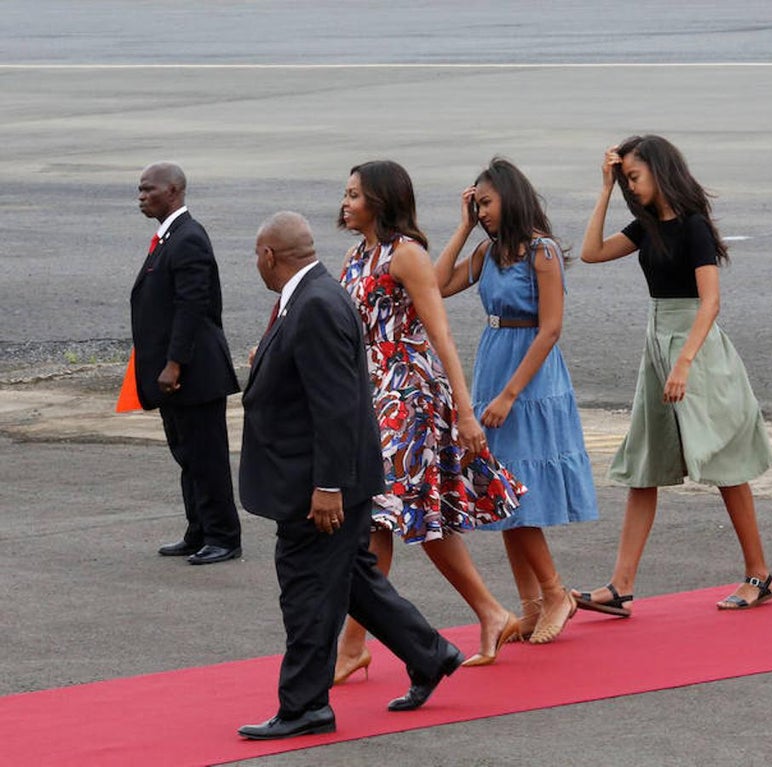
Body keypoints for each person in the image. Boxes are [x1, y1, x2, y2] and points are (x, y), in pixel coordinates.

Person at [237, 212, 464, 741]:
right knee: (354, 580)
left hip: (321, 485)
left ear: (269, 255)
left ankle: (304, 706)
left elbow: (336, 405)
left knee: (308, 591)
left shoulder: (315, 302)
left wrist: (329, 486)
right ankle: (430, 655)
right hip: (332, 477)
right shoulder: (317, 291)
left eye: (256, 255)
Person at [333, 161, 524, 678]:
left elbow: (440, 335)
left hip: (411, 397)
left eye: (355, 195)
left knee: (382, 515)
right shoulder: (356, 257)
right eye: (346, 194)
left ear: (380, 199)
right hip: (372, 397)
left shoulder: (407, 255)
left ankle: (353, 647)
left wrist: (465, 413)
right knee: (417, 514)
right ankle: (490, 611)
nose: (345, 203)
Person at [572, 135, 772, 615]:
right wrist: (604, 190)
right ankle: (620, 584)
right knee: (645, 464)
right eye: (625, 180)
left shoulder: (694, 226)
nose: (630, 187)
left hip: (695, 349)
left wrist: (684, 361)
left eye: (635, 177)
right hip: (658, 344)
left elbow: (712, 301)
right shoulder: (647, 227)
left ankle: (759, 574)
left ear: (661, 172)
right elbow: (590, 253)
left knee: (725, 462)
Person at [435, 158, 598, 649]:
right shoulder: (487, 251)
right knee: (498, 489)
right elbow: (437, 286)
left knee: (515, 489)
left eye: (486, 203)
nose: (481, 211)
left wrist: (509, 394)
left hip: (528, 379)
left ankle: (554, 594)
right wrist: (463, 228)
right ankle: (529, 605)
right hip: (493, 363)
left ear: (511, 197)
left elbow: (551, 329)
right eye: (476, 204)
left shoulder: (541, 252)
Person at [131, 162, 242, 565]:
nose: (142, 196)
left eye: (149, 190)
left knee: (207, 457)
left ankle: (224, 536)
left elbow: (193, 305)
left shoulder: (188, 237)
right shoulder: (169, 237)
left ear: (174, 190)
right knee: (188, 456)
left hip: (193, 374)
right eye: (140, 190)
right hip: (176, 376)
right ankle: (199, 530)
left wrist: (174, 363)